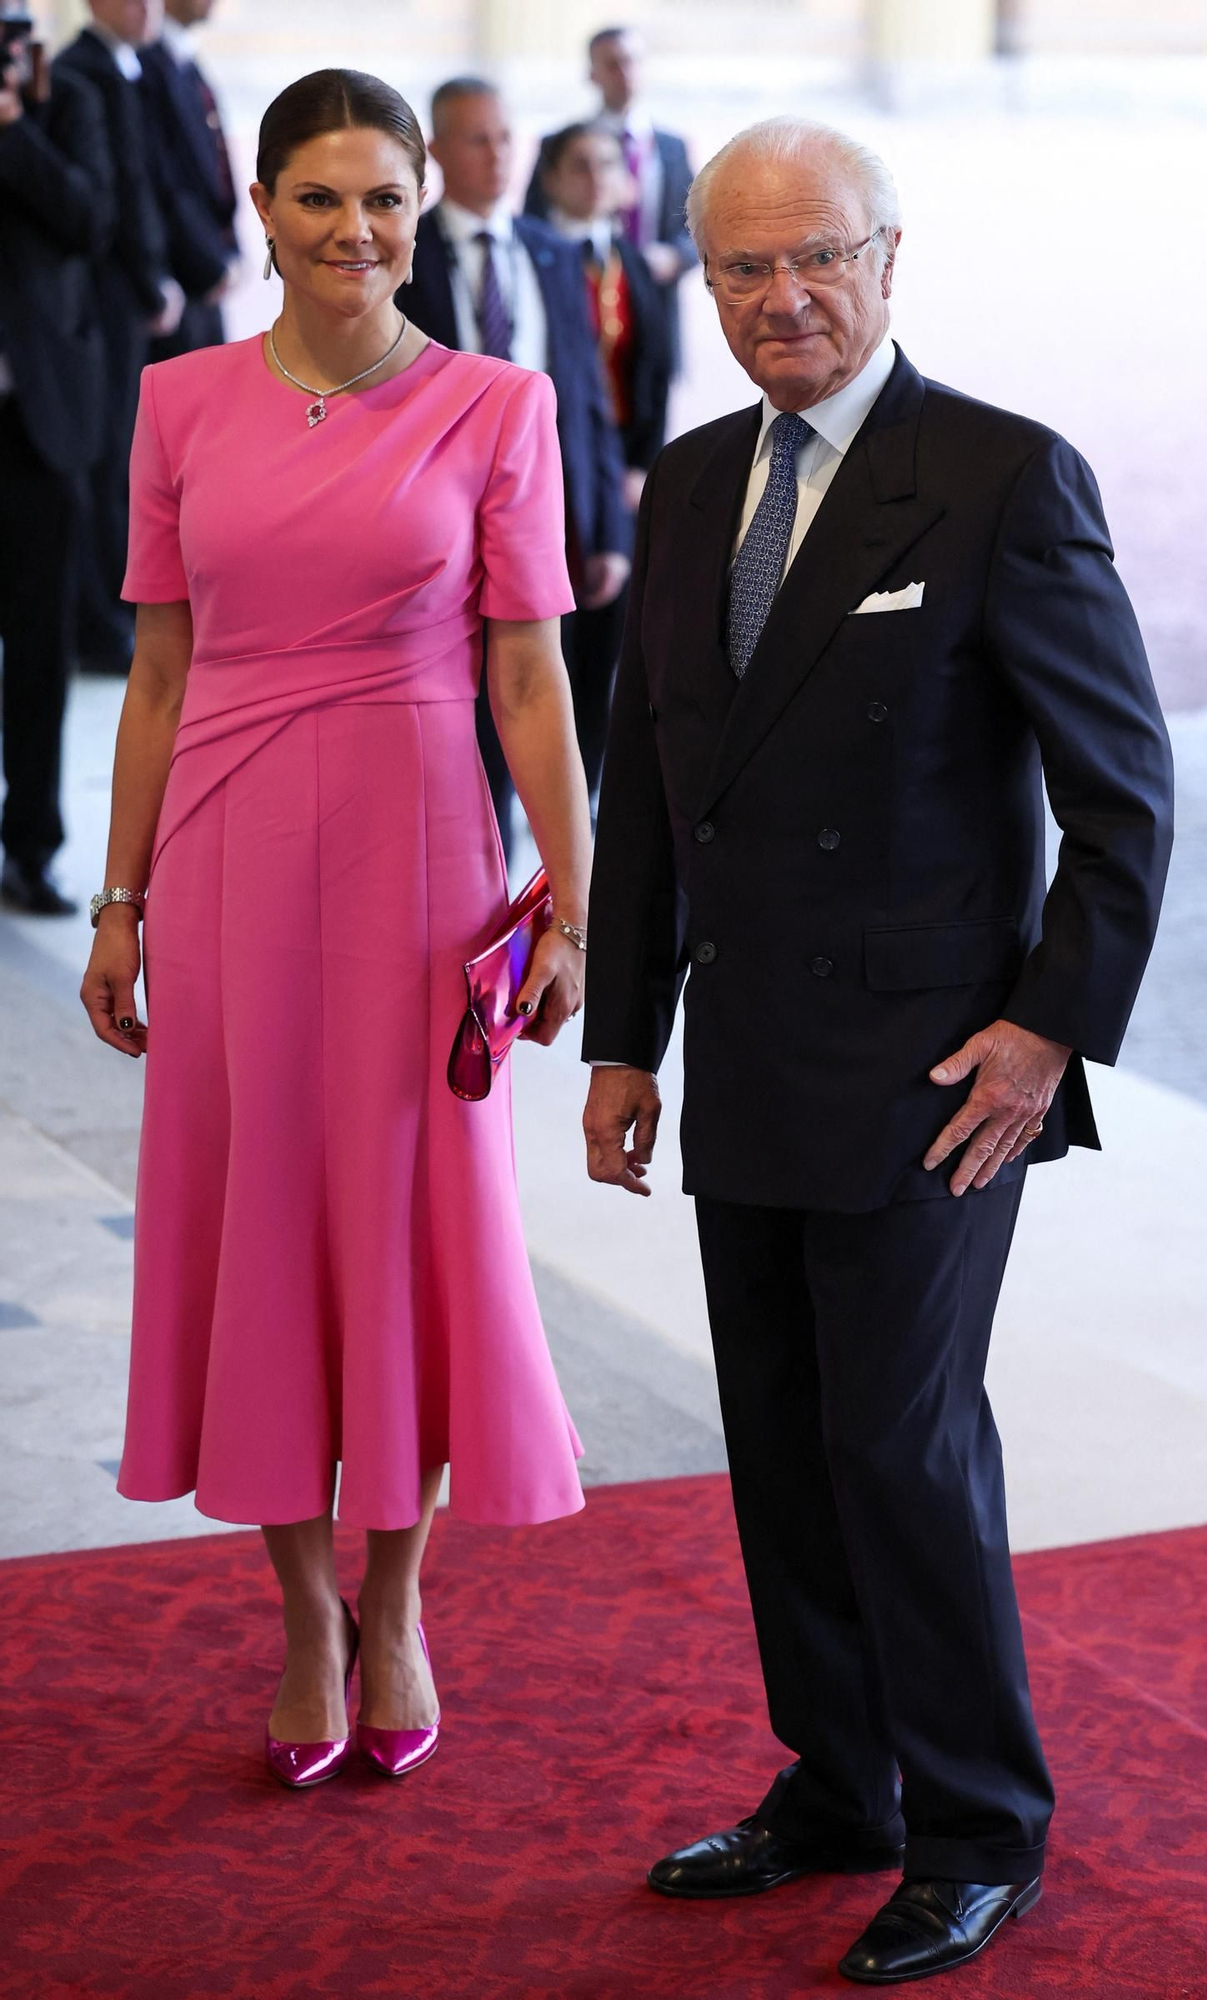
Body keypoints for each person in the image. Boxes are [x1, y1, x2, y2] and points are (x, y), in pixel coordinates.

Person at [582, 118, 1174, 1986]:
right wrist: (618, 1039)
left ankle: (980, 1821)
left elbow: (1121, 796)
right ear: (706, 283)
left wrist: (1041, 1029)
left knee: (900, 1446)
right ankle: (838, 1785)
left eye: (816, 257)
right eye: (745, 268)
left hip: (933, 1081)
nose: (785, 297)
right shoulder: (680, 492)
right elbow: (649, 805)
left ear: (889, 256)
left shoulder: (997, 477)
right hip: (747, 1048)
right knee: (776, 1445)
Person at [79, 67, 590, 1791]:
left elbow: (528, 672)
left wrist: (574, 903)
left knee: (406, 1226)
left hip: (419, 848)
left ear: (421, 207)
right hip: (218, 859)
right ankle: (301, 1611)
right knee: (257, 1221)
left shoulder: (496, 405)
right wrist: (120, 897)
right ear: (261, 208)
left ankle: (398, 1599)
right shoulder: (176, 405)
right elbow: (157, 668)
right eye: (320, 198)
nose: (356, 229)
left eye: (386, 197)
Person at [398, 76, 629, 861]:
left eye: (505, 137)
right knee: (471, 705)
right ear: (435, 150)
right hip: (443, 519)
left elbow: (589, 400)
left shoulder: (552, 253)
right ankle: (480, 850)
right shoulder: (407, 254)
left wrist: (607, 531)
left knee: (556, 680)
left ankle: (559, 838)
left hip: (548, 511)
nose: (497, 155)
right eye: (476, 139)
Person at [0, 4, 112, 914]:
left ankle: (31, 843)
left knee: (41, 651)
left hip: (39, 421)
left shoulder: (65, 102)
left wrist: (11, 130)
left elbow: (89, 220)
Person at [537, 118, 671, 802]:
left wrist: (643, 462)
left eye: (607, 166)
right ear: (553, 176)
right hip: (547, 466)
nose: (596, 181)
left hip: (618, 468)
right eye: (580, 166)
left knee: (606, 631)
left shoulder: (631, 260)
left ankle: (584, 794)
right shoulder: (533, 254)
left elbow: (654, 368)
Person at [54, 0, 183, 676]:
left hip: (133, 291)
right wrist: (150, 277)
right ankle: (100, 619)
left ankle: (113, 611)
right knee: (105, 462)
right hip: (106, 298)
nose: (151, 10)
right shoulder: (80, 72)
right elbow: (115, 196)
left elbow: (152, 181)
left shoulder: (134, 67)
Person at [525, 26, 695, 376]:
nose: (625, 73)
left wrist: (675, 257)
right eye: (612, 64)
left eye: (631, 62)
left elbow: (698, 228)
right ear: (592, 74)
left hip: (652, 304)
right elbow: (533, 223)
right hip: (577, 303)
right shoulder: (560, 145)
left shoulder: (671, 148)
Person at [140, 0, 239, 360]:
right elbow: (162, 180)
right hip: (178, 280)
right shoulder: (146, 64)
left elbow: (211, 168)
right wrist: (209, 263)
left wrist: (229, 249)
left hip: (205, 273)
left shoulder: (184, 59)